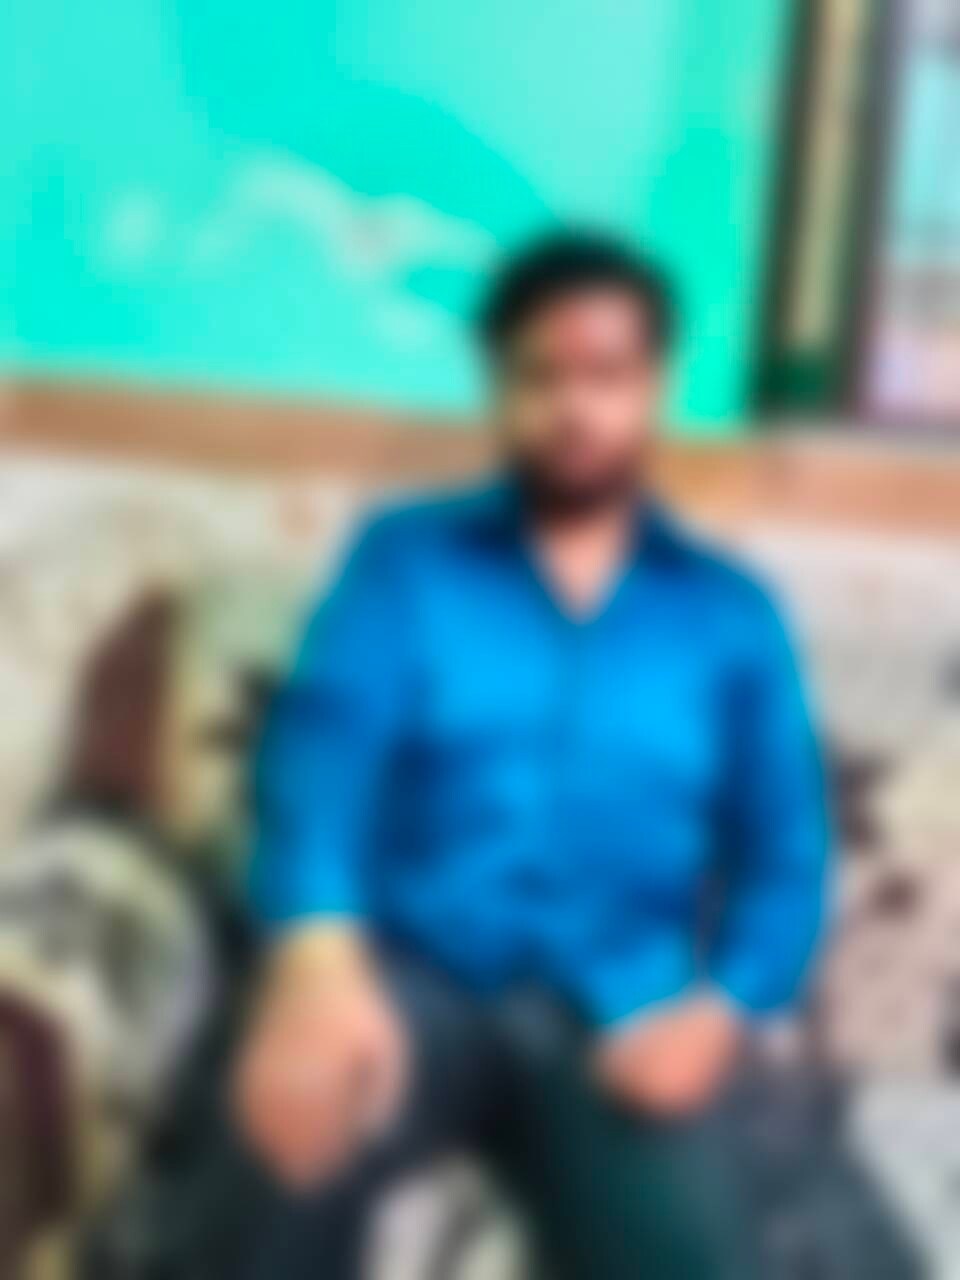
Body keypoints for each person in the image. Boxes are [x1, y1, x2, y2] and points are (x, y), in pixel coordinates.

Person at [199, 233, 830, 1279]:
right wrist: (316, 960)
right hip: (413, 989)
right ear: (497, 387)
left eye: (607, 376)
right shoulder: (404, 563)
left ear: (655, 387)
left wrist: (720, 1015)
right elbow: (321, 766)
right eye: (542, 376)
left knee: (697, 1258)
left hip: (619, 1012)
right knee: (271, 1168)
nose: (575, 409)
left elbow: (787, 861)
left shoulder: (731, 616)